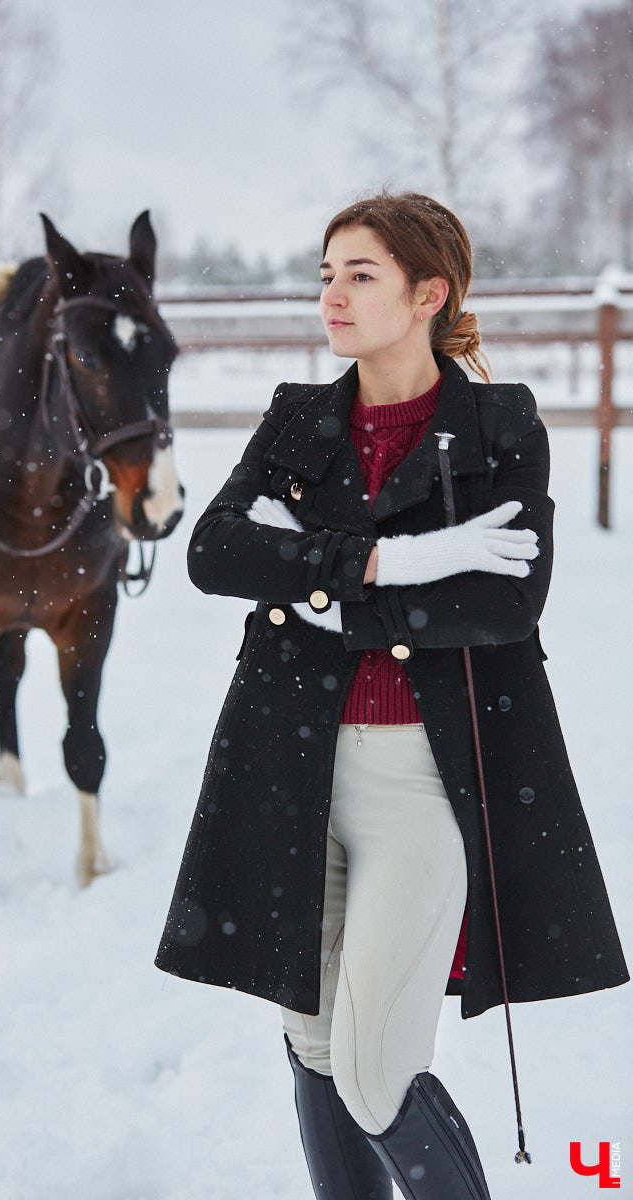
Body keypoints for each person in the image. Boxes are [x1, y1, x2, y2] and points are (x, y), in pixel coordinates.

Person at [155, 191, 628, 1199]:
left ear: (427, 294)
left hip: (420, 782)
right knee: (311, 1037)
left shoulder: (497, 427)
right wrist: (391, 565)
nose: (331, 294)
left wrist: (323, 591)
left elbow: (506, 601)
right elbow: (214, 551)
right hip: (291, 766)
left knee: (374, 1070)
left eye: (358, 274)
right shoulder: (296, 422)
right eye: (325, 273)